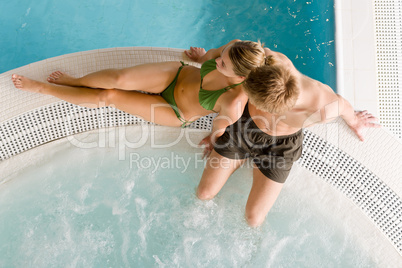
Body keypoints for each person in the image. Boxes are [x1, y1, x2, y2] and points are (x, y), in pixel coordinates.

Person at [196, 47, 380, 227]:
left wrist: (355, 120)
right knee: (204, 193)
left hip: (280, 148)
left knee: (253, 219)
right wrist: (203, 58)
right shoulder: (268, 59)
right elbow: (232, 54)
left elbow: (343, 105)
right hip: (244, 128)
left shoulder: (322, 107)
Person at [11, 40, 264, 132]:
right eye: (224, 55)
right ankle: (75, 80)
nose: (218, 60)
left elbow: (224, 122)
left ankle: (43, 88)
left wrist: (214, 136)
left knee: (109, 96)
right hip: (175, 75)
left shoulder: (233, 99)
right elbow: (212, 54)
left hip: (174, 110)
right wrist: (201, 59)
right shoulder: (232, 49)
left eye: (223, 64)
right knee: (118, 79)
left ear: (240, 77)